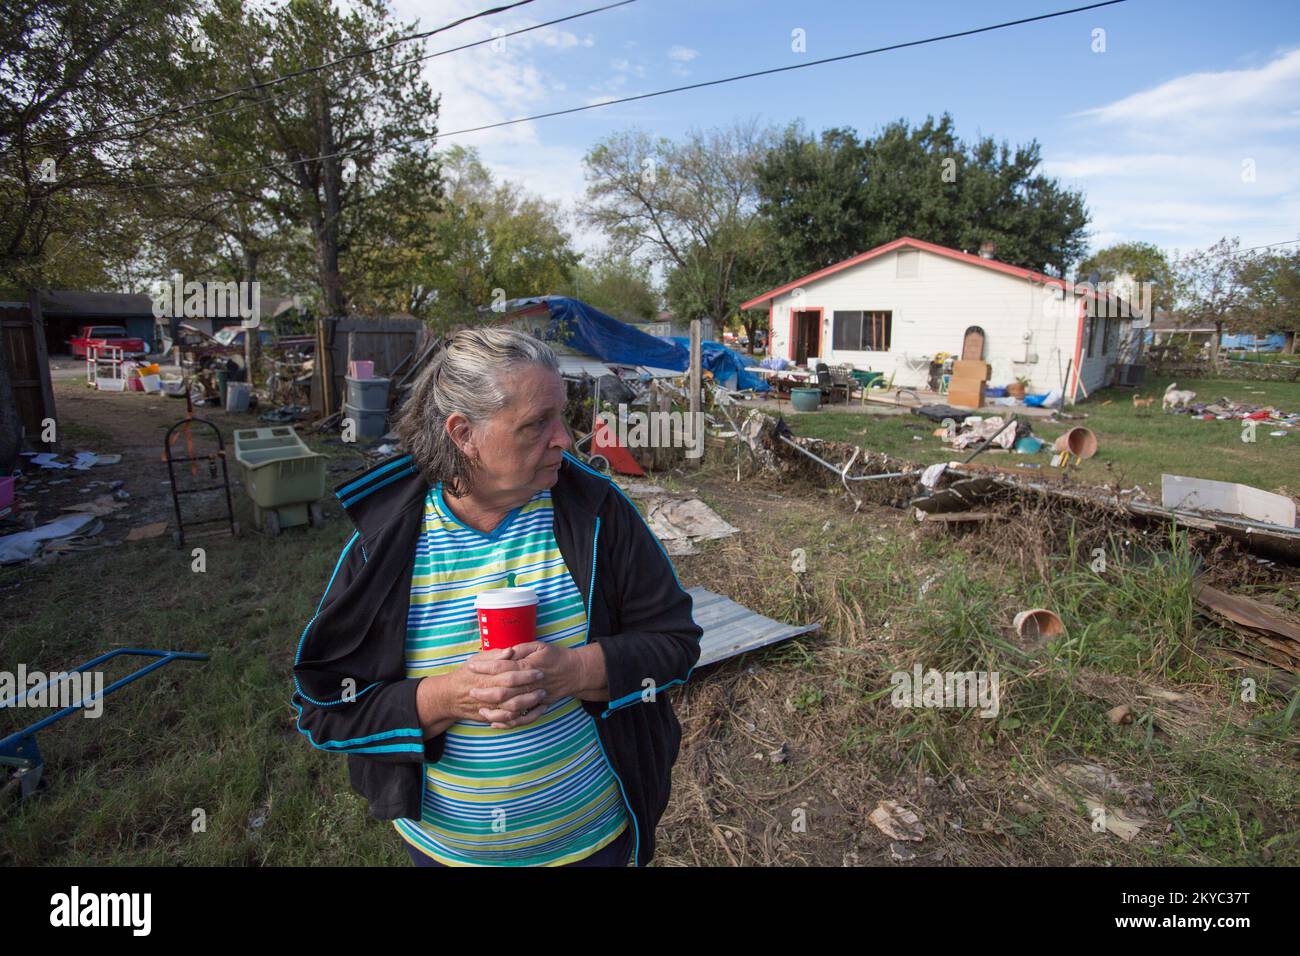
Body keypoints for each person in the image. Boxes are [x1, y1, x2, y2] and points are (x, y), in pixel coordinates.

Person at [291, 327, 702, 866]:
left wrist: (574, 671)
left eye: (562, 415)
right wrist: (447, 698)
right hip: (447, 854)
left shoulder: (596, 513)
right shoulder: (387, 544)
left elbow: (675, 644)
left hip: (593, 844)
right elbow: (326, 707)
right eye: (536, 424)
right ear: (463, 434)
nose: (565, 439)